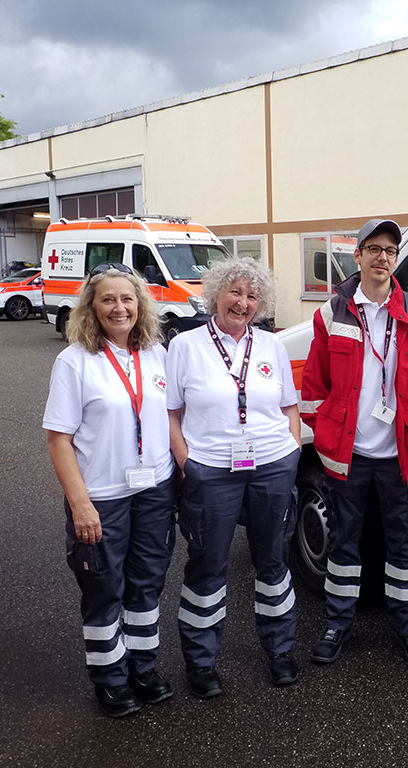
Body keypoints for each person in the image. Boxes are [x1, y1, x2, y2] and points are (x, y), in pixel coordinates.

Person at [300, 218, 408, 668]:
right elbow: (314, 388)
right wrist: (328, 439)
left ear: (396, 259)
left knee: (405, 545)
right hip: (348, 456)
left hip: (402, 456)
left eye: (390, 250)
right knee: (344, 544)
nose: (382, 257)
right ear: (358, 255)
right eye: (374, 249)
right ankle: (337, 625)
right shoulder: (331, 314)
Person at [43, 263, 176, 718]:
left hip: (154, 488)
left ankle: (143, 667)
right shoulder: (75, 361)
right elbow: (59, 439)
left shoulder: (155, 353)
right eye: (108, 299)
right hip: (102, 495)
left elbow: (171, 416)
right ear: (91, 307)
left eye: (127, 299)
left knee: (147, 581)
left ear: (140, 305)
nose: (119, 308)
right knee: (103, 586)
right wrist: (80, 504)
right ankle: (110, 678)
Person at [166, 256, 301, 696]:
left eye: (252, 295)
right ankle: (201, 661)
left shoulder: (271, 346)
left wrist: (291, 453)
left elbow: (289, 406)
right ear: (216, 294)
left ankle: (280, 649)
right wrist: (188, 463)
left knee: (274, 558)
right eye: (235, 292)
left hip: (272, 465)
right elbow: (171, 413)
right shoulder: (185, 346)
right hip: (211, 470)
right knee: (208, 563)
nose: (243, 303)